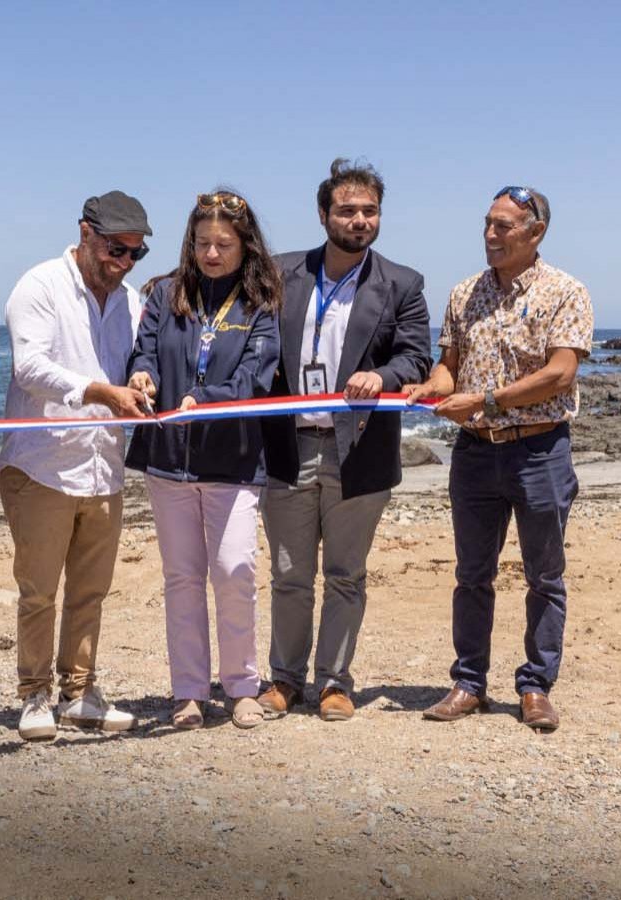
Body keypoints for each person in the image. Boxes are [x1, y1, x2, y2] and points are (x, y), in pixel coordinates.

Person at [405, 186, 593, 733]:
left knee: (545, 577)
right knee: (471, 576)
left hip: (541, 450)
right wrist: (430, 389)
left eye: (503, 226)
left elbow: (561, 373)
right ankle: (468, 683)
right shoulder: (465, 293)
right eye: (487, 223)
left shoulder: (566, 291)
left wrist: (486, 401)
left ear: (536, 232)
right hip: (474, 455)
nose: (490, 234)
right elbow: (449, 368)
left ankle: (536, 687)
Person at [257, 159, 431, 722]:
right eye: (348, 210)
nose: (359, 220)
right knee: (289, 574)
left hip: (358, 452)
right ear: (323, 214)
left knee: (346, 575)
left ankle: (334, 682)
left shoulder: (402, 283)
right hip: (289, 447)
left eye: (369, 211)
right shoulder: (281, 273)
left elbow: (416, 357)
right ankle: (284, 679)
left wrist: (384, 377)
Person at [0, 191, 153, 742]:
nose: (125, 262)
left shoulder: (131, 300)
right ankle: (34, 694)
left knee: (91, 591)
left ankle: (80, 693)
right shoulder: (39, 286)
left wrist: (139, 380)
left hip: (104, 467)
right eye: (116, 248)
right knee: (38, 590)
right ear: (86, 233)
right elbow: (30, 368)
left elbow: (136, 364)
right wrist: (98, 392)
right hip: (43, 465)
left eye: (136, 253)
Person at [125, 190, 282, 731]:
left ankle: (242, 686)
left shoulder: (259, 303)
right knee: (182, 578)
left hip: (233, 462)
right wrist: (141, 374)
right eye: (202, 243)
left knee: (235, 570)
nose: (212, 254)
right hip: (168, 462)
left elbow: (254, 380)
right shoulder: (165, 293)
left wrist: (204, 401)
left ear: (245, 246)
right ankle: (188, 691)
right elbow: (143, 350)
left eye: (223, 244)